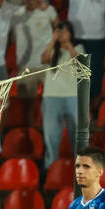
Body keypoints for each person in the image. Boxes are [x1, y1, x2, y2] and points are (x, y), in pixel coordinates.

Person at [40, 22, 84, 168]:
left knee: (77, 136)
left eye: (64, 31)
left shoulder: (78, 48)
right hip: (51, 96)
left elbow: (79, 63)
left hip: (72, 96)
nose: (61, 34)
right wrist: (53, 40)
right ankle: (51, 170)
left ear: (71, 33)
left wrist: (68, 44)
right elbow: (43, 59)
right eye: (59, 32)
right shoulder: (52, 49)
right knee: (51, 136)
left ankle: (79, 171)